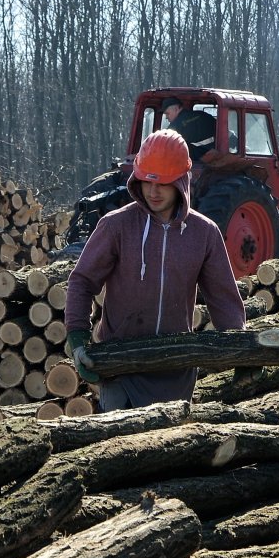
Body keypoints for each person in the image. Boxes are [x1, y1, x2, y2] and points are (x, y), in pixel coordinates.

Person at [63, 128, 245, 409]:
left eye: (163, 183)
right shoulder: (116, 226)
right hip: (121, 368)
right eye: (147, 182)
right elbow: (82, 281)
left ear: (182, 182)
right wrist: (78, 337)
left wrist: (241, 350)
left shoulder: (204, 233)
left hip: (176, 370)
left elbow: (224, 299)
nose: (153, 191)